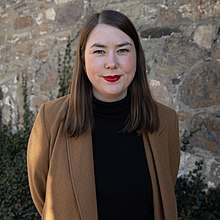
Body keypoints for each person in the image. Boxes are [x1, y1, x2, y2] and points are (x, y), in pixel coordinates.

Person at [27, 9, 180, 220]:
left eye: (123, 50)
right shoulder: (50, 119)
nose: (111, 63)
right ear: (82, 60)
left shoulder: (166, 120)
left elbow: (166, 186)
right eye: (99, 51)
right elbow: (42, 196)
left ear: (137, 56)